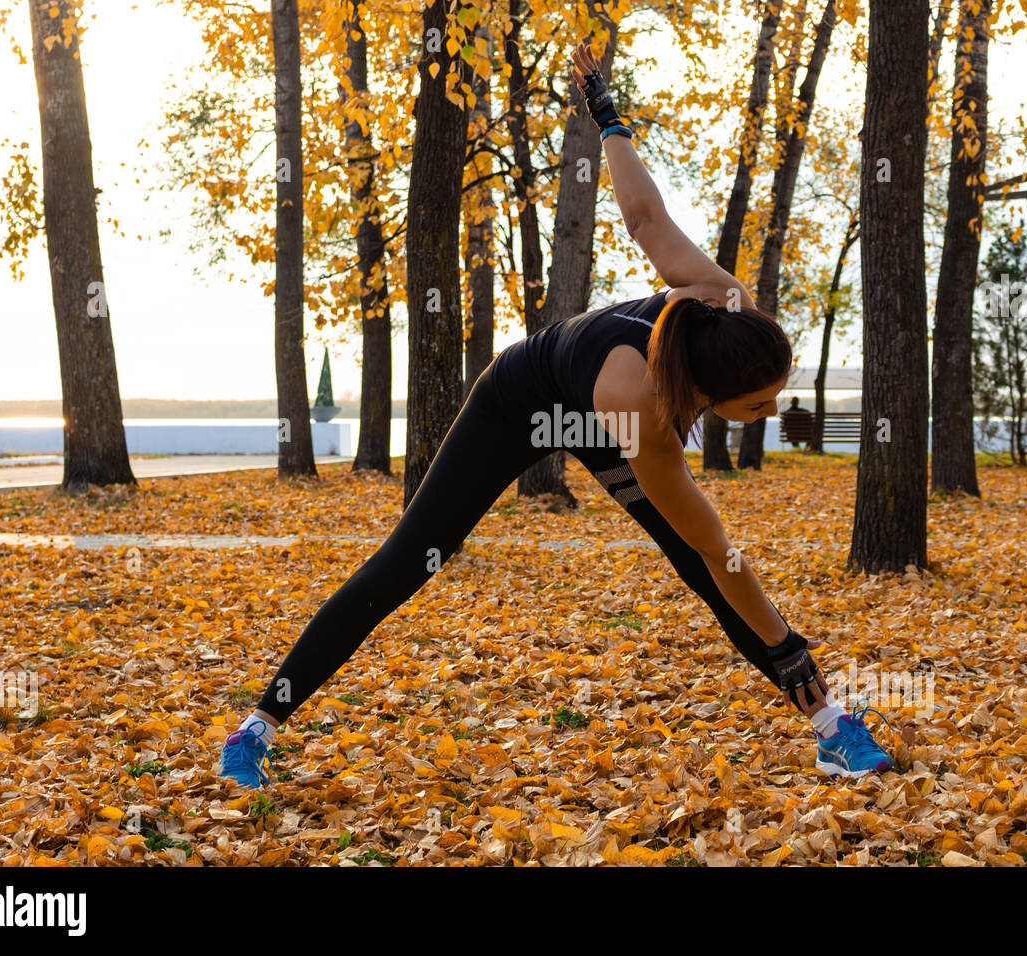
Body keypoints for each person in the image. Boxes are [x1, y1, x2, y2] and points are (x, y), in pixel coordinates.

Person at [219, 39, 894, 789]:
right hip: (520, 398)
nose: (772, 410)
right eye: (761, 404)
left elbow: (644, 217)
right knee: (410, 558)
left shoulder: (728, 306)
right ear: (711, 390)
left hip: (598, 400)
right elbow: (719, 545)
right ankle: (255, 728)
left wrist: (608, 117)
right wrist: (786, 640)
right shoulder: (639, 408)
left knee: (697, 571)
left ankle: (832, 728)